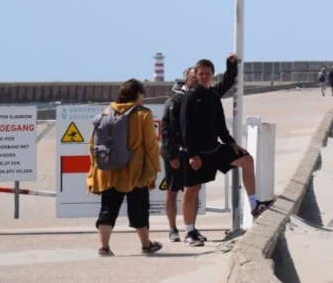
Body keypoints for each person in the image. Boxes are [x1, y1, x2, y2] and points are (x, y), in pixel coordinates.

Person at [180, 58, 272, 246]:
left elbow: (221, 126)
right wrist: (192, 154)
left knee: (247, 160)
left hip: (214, 150)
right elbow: (185, 129)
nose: (204, 76)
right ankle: (189, 232)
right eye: (201, 73)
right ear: (196, 76)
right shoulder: (189, 97)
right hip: (196, 154)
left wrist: (231, 143)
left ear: (212, 75)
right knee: (191, 191)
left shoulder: (213, 96)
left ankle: (254, 204)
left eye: (208, 73)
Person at [161, 54, 238, 243]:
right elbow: (166, 129)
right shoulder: (175, 100)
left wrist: (230, 64)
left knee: (193, 189)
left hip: (192, 153)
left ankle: (191, 228)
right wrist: (172, 154)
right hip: (175, 154)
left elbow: (226, 83)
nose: (197, 78)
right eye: (194, 76)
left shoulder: (206, 94)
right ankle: (172, 228)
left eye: (201, 75)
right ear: (187, 78)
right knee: (172, 191)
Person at [86, 78, 162, 257]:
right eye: (141, 94)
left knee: (107, 208)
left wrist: (95, 168)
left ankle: (103, 247)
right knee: (139, 208)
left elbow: (92, 144)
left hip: (109, 171)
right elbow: (151, 145)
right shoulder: (143, 114)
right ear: (137, 95)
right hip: (135, 171)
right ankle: (146, 244)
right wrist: (155, 168)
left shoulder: (106, 113)